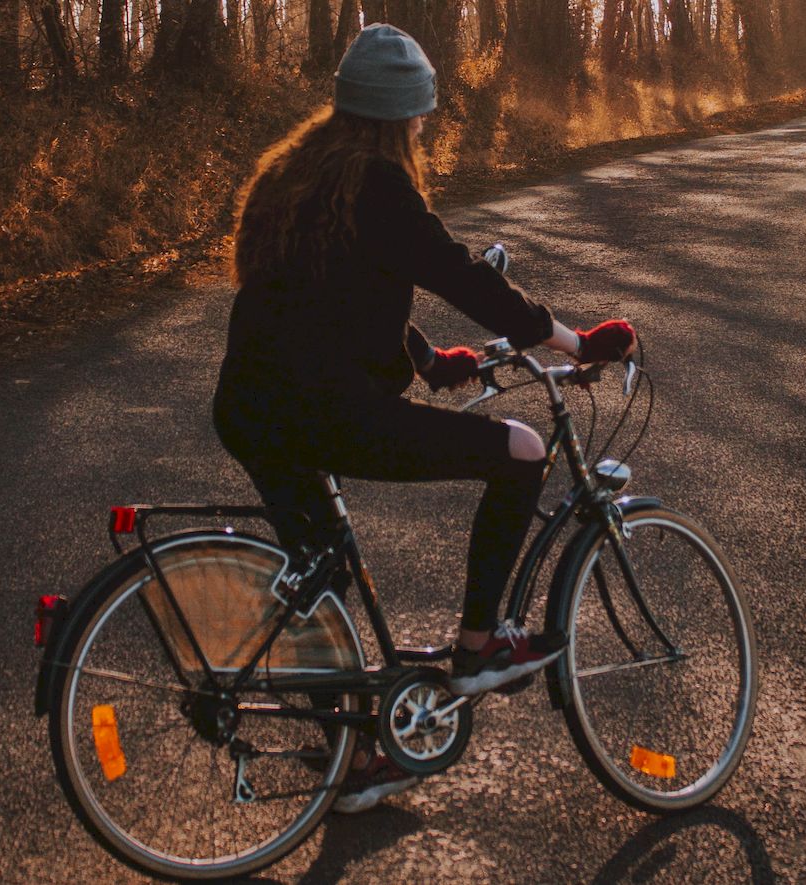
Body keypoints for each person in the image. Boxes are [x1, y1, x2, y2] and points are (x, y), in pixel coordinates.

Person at [212, 23, 637, 813]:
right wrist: (578, 341)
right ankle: (479, 649)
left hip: (249, 406)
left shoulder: (293, 175)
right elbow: (461, 277)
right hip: (325, 411)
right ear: (402, 116)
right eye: (419, 118)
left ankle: (348, 764)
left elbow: (335, 290)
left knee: (320, 579)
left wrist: (433, 363)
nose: (421, 130)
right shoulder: (378, 184)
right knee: (520, 450)